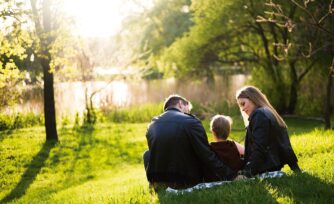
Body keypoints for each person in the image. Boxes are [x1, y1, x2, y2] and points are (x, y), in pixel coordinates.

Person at [143, 94, 236, 189]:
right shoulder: (191, 122)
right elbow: (206, 155)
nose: (188, 112)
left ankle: (155, 184)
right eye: (188, 110)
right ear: (180, 104)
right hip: (185, 180)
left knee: (147, 154)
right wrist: (231, 175)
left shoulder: (152, 124)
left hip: (158, 179)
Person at [236, 86, 301, 178]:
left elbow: (259, 148)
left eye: (243, 104)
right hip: (270, 166)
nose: (242, 109)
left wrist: (247, 173)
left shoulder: (259, 115)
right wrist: (296, 169)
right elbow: (285, 145)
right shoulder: (267, 112)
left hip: (264, 168)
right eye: (240, 106)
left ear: (253, 99)